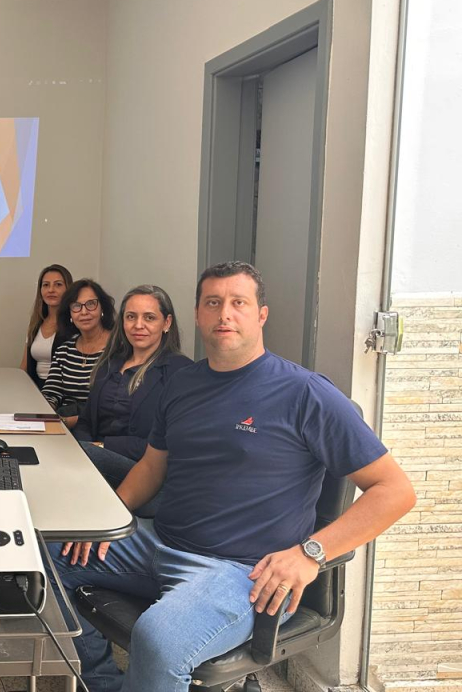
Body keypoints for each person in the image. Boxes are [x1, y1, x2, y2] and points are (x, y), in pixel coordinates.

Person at [53, 262, 416, 692]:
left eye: (238, 302)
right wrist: (106, 521)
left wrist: (310, 553)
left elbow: (395, 490)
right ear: (197, 314)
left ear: (261, 315)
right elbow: (151, 467)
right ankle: (103, 683)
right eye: (213, 303)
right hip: (157, 542)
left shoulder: (306, 393)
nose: (224, 313)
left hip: (242, 572)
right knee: (42, 559)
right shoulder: (182, 384)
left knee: (158, 639)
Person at [73, 285, 192, 516]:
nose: (138, 325)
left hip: (143, 472)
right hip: (93, 456)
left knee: (72, 457)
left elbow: (170, 445)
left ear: (166, 323)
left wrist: (99, 447)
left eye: (149, 317)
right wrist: (81, 445)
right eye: (131, 317)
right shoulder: (110, 362)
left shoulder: (180, 372)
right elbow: (86, 420)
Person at [41, 279, 116, 426]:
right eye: (76, 306)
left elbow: (115, 404)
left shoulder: (118, 349)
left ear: (102, 308)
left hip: (101, 428)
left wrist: (67, 422)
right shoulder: (64, 351)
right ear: (69, 313)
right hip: (63, 424)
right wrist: (45, 413)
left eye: (91, 304)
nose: (84, 312)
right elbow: (51, 393)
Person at [20, 264, 73, 389]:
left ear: (68, 289)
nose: (51, 290)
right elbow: (24, 365)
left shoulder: (74, 324)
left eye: (58, 284)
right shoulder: (35, 323)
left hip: (63, 390)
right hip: (35, 387)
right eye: (46, 285)